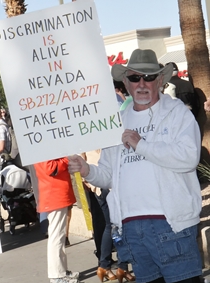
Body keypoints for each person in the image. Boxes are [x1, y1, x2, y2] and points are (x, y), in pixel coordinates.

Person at [68, 49, 202, 283]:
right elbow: (108, 175)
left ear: (160, 81)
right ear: (126, 83)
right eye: (134, 78)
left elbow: (189, 157)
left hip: (172, 225)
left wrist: (141, 145)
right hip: (132, 230)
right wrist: (86, 170)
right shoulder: (116, 122)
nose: (142, 83)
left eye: (149, 77)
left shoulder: (177, 113)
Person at [34, 158, 79, 283]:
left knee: (58, 235)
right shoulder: (42, 147)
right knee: (57, 236)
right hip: (54, 193)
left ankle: (61, 271)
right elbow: (50, 168)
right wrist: (66, 159)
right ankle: (57, 275)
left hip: (54, 193)